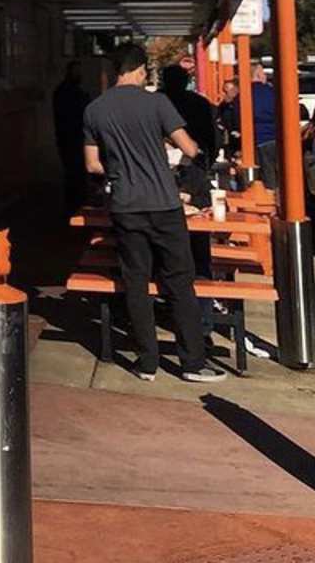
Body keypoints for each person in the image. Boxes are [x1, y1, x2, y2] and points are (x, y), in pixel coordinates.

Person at [83, 43, 226, 383]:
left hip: (125, 206)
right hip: (164, 203)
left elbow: (91, 164)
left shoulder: (94, 111)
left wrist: (118, 172)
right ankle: (192, 362)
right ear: (139, 69)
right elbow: (189, 147)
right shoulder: (158, 103)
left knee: (135, 280)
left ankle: (147, 362)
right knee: (179, 281)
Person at [53, 61, 91, 211]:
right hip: (74, 137)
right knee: (76, 172)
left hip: (67, 137)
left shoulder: (62, 91)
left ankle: (73, 203)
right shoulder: (75, 93)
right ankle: (76, 202)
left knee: (72, 172)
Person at [160, 64, 218, 162]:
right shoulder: (199, 102)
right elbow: (210, 132)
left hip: (161, 155)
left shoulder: (154, 102)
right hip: (195, 154)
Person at [217, 79, 240, 157]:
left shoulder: (241, 103)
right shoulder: (223, 105)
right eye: (224, 91)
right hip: (231, 138)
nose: (225, 94)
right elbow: (220, 119)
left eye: (228, 91)